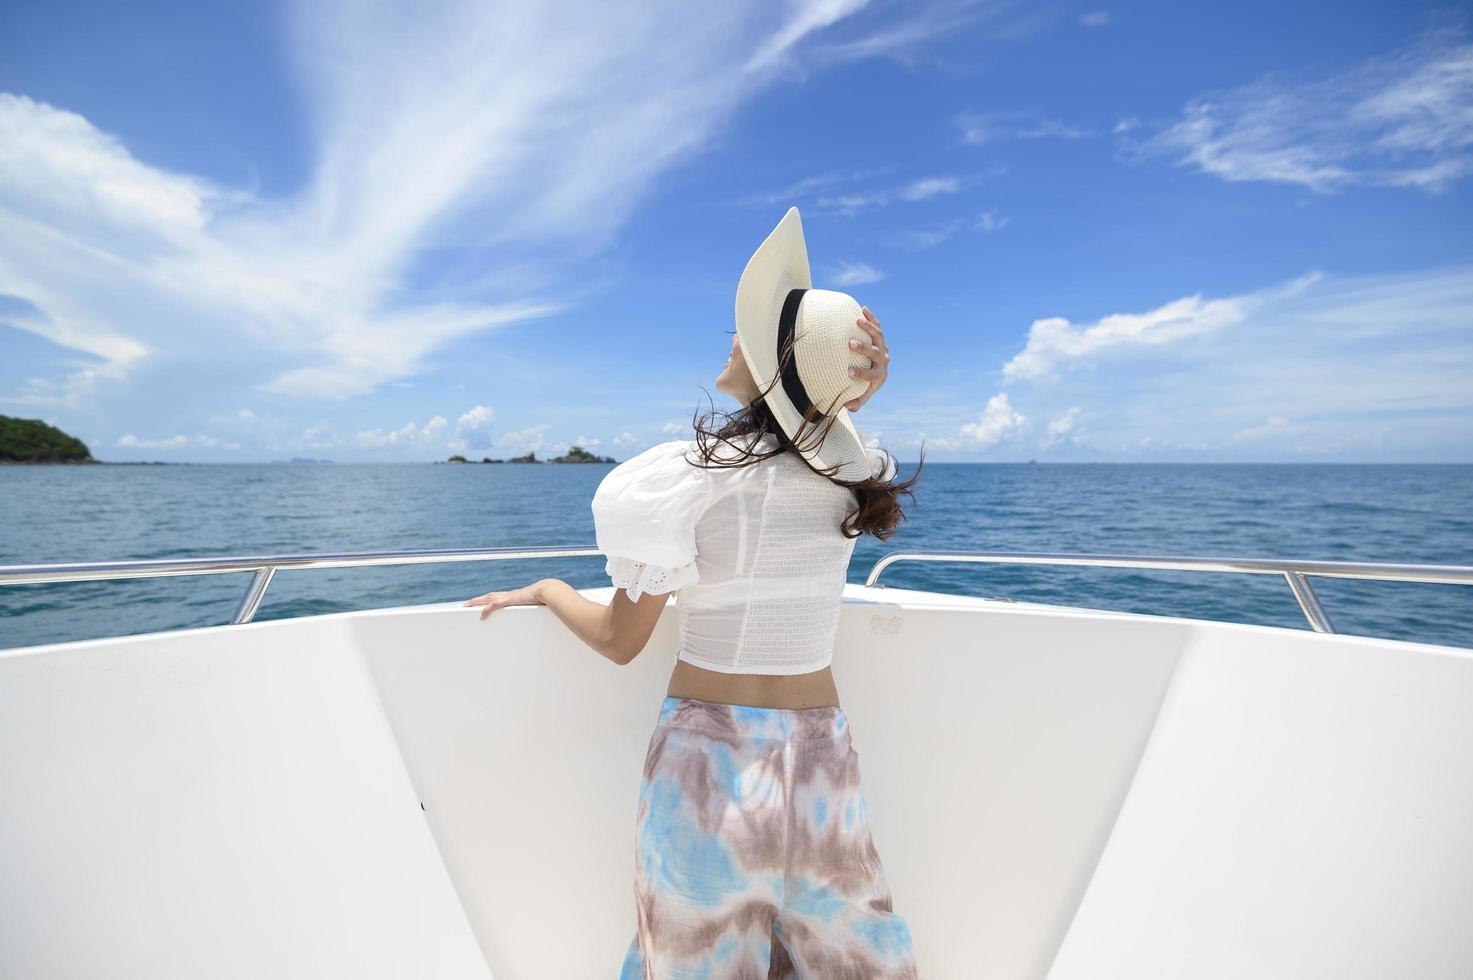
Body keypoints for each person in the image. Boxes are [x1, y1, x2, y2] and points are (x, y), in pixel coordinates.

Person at [463, 207, 925, 978]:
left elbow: (619, 642)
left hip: (705, 758)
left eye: (743, 337)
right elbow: (832, 439)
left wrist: (547, 589)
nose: (731, 342)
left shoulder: (690, 478)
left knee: (691, 958)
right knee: (849, 956)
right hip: (820, 755)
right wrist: (846, 396)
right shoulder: (845, 476)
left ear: (769, 367)